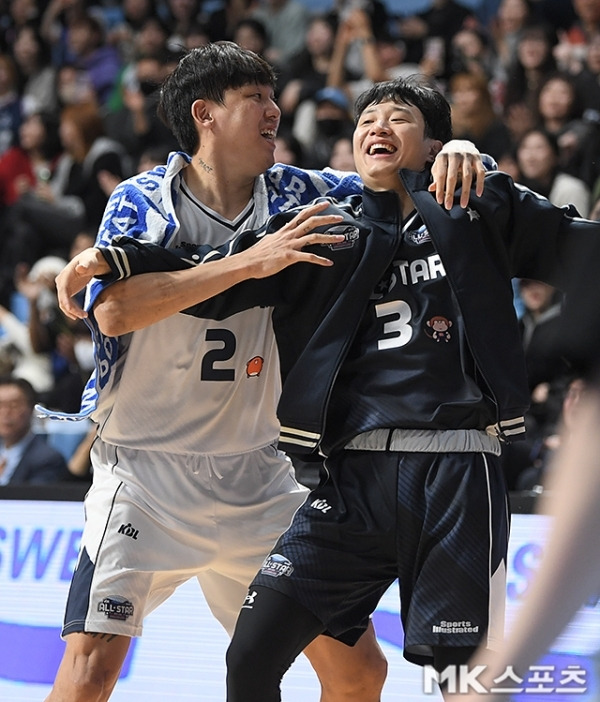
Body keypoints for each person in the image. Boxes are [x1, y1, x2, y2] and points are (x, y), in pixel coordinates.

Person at [64, 76, 600, 702]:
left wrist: (473, 157)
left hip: (453, 466)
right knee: (251, 654)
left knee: (461, 677)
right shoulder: (321, 226)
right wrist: (116, 262)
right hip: (344, 480)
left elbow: (577, 245)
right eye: (367, 118)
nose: (377, 127)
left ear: (431, 144)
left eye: (398, 119)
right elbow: (214, 268)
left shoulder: (476, 204)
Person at [0, 374, 69, 485]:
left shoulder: (47, 459)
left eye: (13, 405)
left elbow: (31, 499)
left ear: (31, 408)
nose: (5, 412)